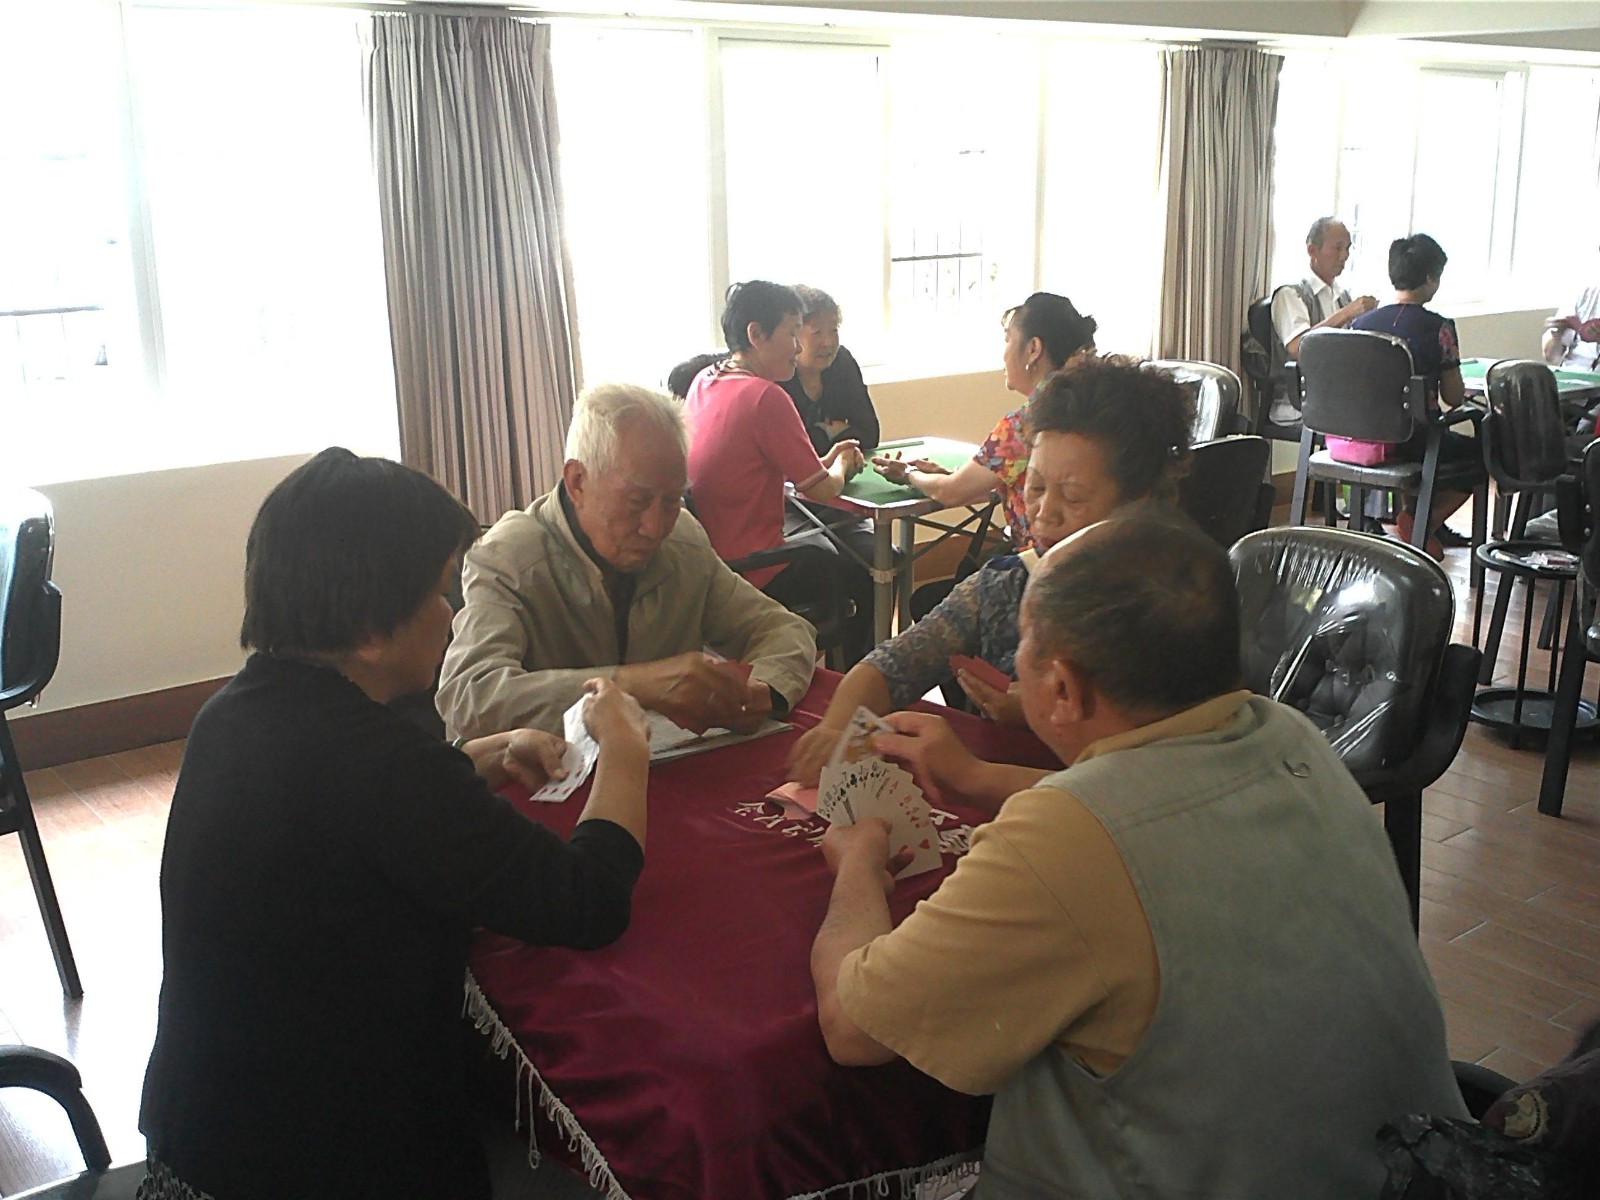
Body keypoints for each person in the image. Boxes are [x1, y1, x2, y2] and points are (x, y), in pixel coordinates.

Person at [808, 515, 1466, 1199]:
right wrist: (978, 778)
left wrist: (857, 863)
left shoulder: (1062, 837)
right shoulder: (1289, 735)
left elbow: (854, 1028)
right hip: (1415, 1173)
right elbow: (1157, 812)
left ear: (1062, 690)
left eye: (1025, 644)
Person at [139, 448, 653, 1200]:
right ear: (370, 629)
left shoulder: (234, 713)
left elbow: (346, 821)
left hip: (200, 1138)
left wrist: (477, 759)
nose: (450, 616)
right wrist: (628, 748)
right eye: (438, 592)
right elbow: (590, 900)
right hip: (327, 1165)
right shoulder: (382, 766)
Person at [788, 355, 1193, 784]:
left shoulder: (1174, 609)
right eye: (1035, 488)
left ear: (1140, 501)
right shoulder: (1006, 584)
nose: (1044, 514)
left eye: (1073, 497)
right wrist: (836, 728)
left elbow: (1137, 788)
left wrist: (1035, 715)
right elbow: (892, 664)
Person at [436, 383, 817, 740]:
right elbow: (469, 696)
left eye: (672, 500)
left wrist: (762, 689)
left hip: (666, 766)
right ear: (578, 481)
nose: (655, 527)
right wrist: (635, 685)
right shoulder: (509, 558)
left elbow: (782, 628)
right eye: (636, 502)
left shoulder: (683, 540)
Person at [684, 280, 874, 663]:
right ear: (757, 334)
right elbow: (822, 490)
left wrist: (825, 461)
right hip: (757, 568)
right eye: (793, 334)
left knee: (834, 547)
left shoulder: (705, 381)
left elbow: (779, 470)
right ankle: (855, 682)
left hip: (714, 563)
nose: (798, 348)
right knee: (866, 572)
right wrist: (841, 464)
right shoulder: (765, 397)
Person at [873, 293, 1095, 553]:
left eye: (1008, 340)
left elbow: (950, 493)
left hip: (1042, 562)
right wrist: (949, 475)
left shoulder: (1023, 426)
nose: (1004, 355)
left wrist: (908, 474)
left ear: (1033, 349)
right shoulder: (1087, 405)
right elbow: (985, 483)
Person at [1351, 233, 1486, 559]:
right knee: (1483, 451)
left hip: (1363, 439)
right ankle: (1425, 522)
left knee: (1431, 439)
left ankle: (1416, 520)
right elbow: (1453, 397)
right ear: (1429, 278)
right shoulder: (1439, 328)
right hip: (1414, 440)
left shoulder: (1359, 325)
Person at [1266, 216, 1379, 427]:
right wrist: (1346, 313)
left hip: (1337, 396)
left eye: (1347, 248)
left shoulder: (1341, 295)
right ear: (1312, 250)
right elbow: (1298, 346)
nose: (1344, 256)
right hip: (1299, 402)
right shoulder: (1291, 294)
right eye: (1337, 248)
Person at [779, 285, 880, 454]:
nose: (828, 342)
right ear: (793, 334)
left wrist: (815, 437)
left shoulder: (842, 362)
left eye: (833, 330)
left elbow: (870, 434)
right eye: (817, 332)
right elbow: (789, 451)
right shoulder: (778, 374)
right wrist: (828, 432)